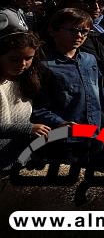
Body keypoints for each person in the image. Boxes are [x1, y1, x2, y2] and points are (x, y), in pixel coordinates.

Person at [31, 8, 104, 165]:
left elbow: (100, 95)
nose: (79, 36)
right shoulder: (43, 65)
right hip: (63, 141)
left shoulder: (89, 59)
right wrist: (59, 123)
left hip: (93, 134)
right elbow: (37, 106)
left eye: (84, 32)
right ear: (53, 31)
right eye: (73, 30)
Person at [0, 28, 49, 172]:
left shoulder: (24, 82)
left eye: (28, 58)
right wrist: (28, 128)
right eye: (14, 59)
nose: (22, 64)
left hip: (18, 160)